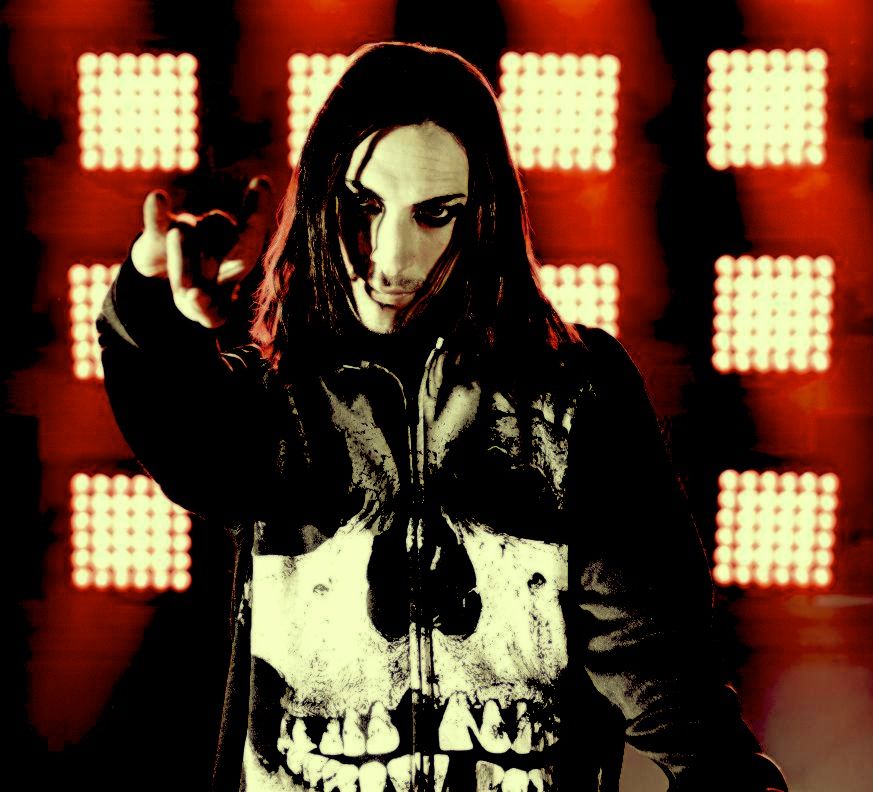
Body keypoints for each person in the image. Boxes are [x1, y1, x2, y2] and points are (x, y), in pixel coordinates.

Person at [97, 41, 789, 792]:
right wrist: (151, 292)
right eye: (364, 208)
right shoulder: (280, 395)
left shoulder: (575, 390)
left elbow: (654, 655)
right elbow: (185, 437)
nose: (393, 258)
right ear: (322, 201)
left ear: (482, 216)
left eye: (435, 215)